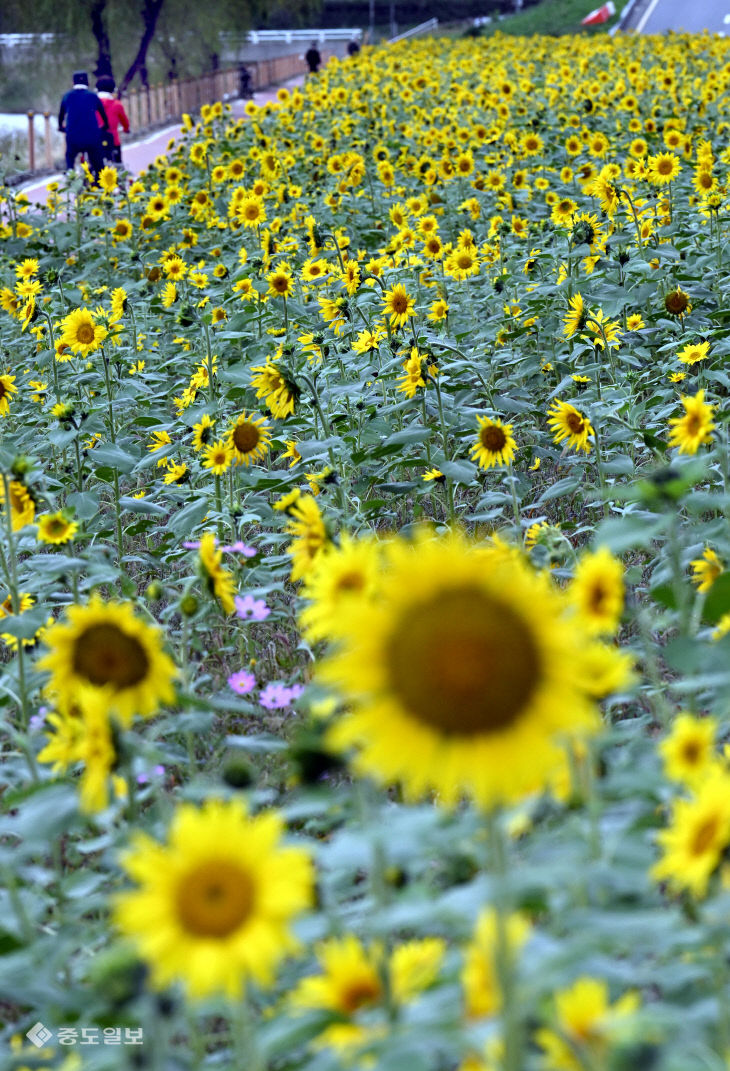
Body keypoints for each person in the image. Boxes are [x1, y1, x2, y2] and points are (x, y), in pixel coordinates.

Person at [58, 71, 110, 179]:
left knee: (70, 155)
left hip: (73, 137)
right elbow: (103, 115)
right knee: (98, 162)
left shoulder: (67, 96)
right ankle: (100, 185)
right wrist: (105, 126)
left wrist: (61, 127)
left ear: (73, 82)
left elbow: (61, 115)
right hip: (92, 137)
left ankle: (69, 172)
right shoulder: (93, 96)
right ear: (88, 83)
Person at [95, 76, 130, 165]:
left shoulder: (92, 103)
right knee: (118, 166)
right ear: (113, 89)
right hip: (113, 140)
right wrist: (126, 129)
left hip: (95, 140)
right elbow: (125, 122)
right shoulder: (117, 104)